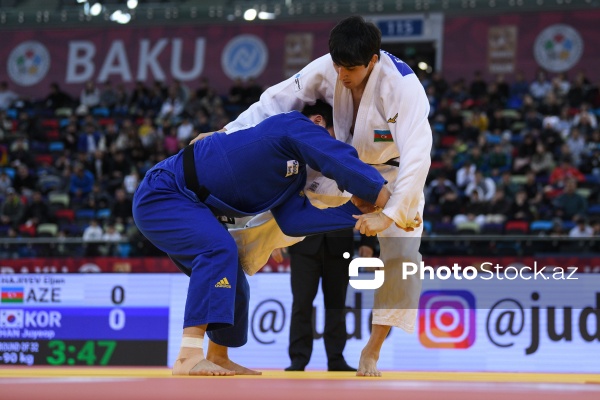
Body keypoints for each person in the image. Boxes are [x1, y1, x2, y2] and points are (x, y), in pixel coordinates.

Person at [191, 15, 431, 376]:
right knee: (259, 227)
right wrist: (228, 132)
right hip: (337, 163)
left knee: (404, 252)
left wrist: (391, 211)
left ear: (373, 60)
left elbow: (418, 153)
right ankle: (219, 338)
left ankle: (372, 351)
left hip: (391, 175)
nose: (342, 74)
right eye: (338, 65)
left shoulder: (403, 88)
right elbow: (275, 101)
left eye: (351, 68)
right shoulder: (327, 67)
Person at [133, 101, 392, 376]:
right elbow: (336, 157)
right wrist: (381, 195)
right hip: (165, 192)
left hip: (191, 203)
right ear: (317, 122)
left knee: (232, 272)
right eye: (332, 134)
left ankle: (218, 355)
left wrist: (353, 213)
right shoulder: (291, 125)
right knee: (218, 250)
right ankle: (188, 355)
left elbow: (294, 221)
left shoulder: (294, 174)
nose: (327, 143)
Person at [285, 230, 376, 372]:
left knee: (337, 306)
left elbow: (369, 208)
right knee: (301, 304)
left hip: (340, 245)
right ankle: (298, 357)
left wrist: (368, 242)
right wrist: (275, 241)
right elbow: (285, 207)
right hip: (302, 243)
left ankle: (336, 358)